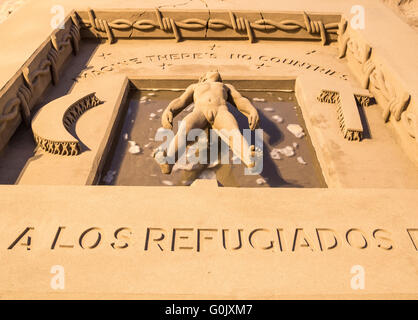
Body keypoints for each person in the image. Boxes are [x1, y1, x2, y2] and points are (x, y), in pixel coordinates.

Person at [153, 71, 259, 174]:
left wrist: (251, 110)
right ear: (203, 78)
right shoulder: (195, 86)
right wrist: (169, 110)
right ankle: (168, 162)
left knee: (234, 133)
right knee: (183, 132)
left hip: (220, 111)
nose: (215, 70)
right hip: (199, 111)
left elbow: (239, 99)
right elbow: (181, 100)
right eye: (211, 70)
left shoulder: (225, 86)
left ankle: (249, 159)